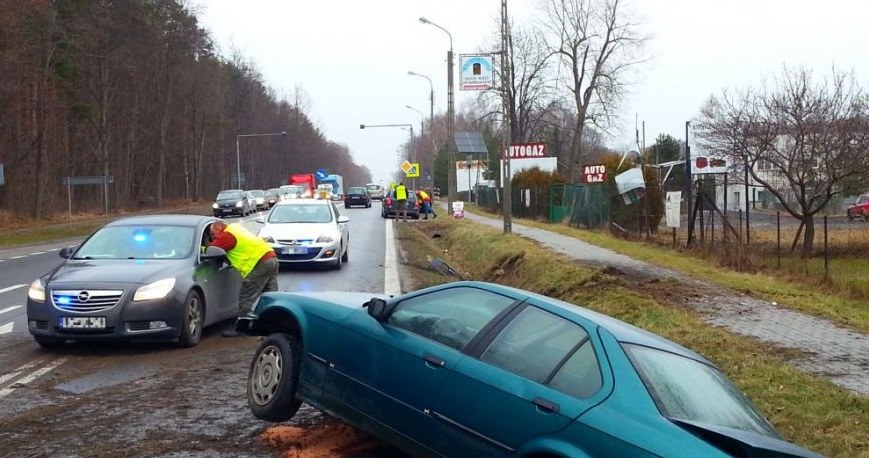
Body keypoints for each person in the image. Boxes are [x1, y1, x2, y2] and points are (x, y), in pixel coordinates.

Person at [208, 220, 278, 337]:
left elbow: (212, 248)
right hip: (271, 257)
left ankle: (242, 329)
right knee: (271, 296)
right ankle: (274, 326)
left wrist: (205, 245)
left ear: (219, 229)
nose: (213, 237)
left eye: (213, 234)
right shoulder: (235, 227)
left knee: (246, 296)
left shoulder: (227, 236)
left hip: (259, 263)